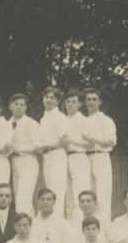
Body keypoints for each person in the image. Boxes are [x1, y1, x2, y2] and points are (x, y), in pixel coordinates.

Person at [82, 88, 117, 223]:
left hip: (101, 156)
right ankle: (89, 227)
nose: (91, 102)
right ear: (85, 102)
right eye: (88, 100)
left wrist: (91, 139)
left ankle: (104, 227)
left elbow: (111, 142)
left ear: (100, 101)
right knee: (88, 195)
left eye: (94, 99)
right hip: (85, 158)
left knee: (103, 195)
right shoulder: (84, 120)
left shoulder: (106, 120)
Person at [7, 93, 41, 216]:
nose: (19, 107)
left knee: (23, 198)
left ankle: (26, 225)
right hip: (14, 162)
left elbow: (36, 146)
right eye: (16, 104)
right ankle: (29, 224)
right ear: (10, 106)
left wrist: (17, 147)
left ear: (26, 107)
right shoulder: (7, 123)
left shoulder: (31, 123)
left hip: (28, 162)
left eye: (22, 105)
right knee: (19, 198)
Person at [37, 87, 69, 219]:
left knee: (57, 192)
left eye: (52, 98)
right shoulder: (43, 118)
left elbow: (64, 141)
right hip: (47, 157)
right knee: (49, 190)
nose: (49, 100)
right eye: (46, 97)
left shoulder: (60, 117)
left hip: (57, 156)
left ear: (57, 101)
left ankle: (57, 222)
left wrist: (46, 146)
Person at [62, 89, 91, 218]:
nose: (70, 104)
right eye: (68, 101)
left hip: (79, 157)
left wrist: (71, 140)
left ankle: (82, 224)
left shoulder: (84, 120)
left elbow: (90, 144)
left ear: (80, 104)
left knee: (80, 192)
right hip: (64, 158)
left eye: (74, 101)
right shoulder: (63, 120)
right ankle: (70, 224)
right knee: (68, 195)